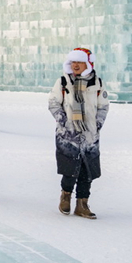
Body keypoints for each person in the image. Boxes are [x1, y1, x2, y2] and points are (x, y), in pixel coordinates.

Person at [48, 47, 109, 219]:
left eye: (79, 62)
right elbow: (53, 103)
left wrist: (97, 125)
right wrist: (64, 122)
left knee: (87, 171)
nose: (75, 65)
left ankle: (82, 204)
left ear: (87, 64)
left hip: (89, 135)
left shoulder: (97, 83)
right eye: (73, 61)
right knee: (70, 168)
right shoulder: (63, 81)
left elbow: (103, 106)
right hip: (68, 136)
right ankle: (65, 196)